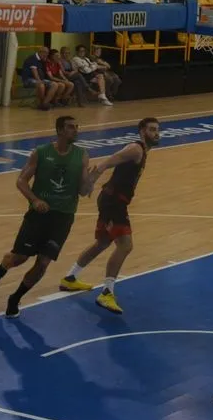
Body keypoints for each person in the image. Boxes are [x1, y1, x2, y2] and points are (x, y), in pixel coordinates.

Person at [0, 116, 92, 318]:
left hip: (63, 218)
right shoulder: (41, 153)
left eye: (77, 126)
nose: (75, 130)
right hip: (39, 215)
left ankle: (15, 298)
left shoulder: (82, 156)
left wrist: (92, 179)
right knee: (19, 257)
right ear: (59, 130)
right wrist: (34, 200)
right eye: (70, 127)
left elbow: (84, 191)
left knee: (43, 263)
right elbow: (21, 181)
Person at [58, 118, 161, 314]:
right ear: (142, 131)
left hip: (111, 200)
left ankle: (70, 278)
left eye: (157, 130)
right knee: (125, 245)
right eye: (152, 129)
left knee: (103, 242)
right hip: (114, 202)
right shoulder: (136, 149)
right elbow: (107, 162)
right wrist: (91, 180)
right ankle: (107, 292)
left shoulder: (143, 151)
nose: (156, 133)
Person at [21, 46, 59, 110]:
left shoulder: (41, 59)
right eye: (46, 53)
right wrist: (40, 81)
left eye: (47, 53)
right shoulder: (32, 58)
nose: (47, 55)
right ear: (40, 52)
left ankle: (44, 103)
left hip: (38, 79)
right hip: (28, 79)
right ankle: (42, 104)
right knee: (41, 85)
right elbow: (34, 72)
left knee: (55, 84)